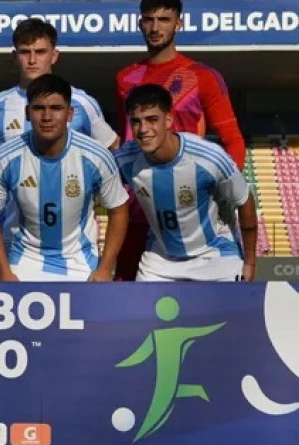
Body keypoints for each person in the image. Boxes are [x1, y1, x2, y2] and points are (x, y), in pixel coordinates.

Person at [115, 0, 246, 281]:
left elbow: (232, 140)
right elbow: (126, 139)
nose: (155, 27)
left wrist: (220, 192)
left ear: (178, 24)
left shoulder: (203, 77)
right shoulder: (125, 78)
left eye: (164, 19)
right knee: (126, 301)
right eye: (149, 20)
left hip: (191, 205)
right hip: (140, 206)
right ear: (140, 24)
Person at [0, 74, 129, 281]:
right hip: (24, 261)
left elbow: (119, 209)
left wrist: (105, 267)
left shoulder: (96, 156)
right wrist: (3, 270)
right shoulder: (5, 157)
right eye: (38, 108)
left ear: (70, 114)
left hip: (80, 262)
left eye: (56, 108)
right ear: (27, 113)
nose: (47, 117)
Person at [115, 84, 256, 281]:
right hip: (160, 261)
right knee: (141, 311)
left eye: (152, 120)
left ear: (169, 120)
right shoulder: (125, 159)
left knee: (231, 311)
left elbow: (245, 200)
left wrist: (249, 263)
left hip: (215, 257)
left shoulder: (209, 157)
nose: (143, 129)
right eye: (136, 122)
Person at [0, 18, 118, 150]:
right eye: (25, 52)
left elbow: (112, 147)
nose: (32, 60)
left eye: (40, 52)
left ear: (54, 56)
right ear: (14, 57)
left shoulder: (82, 102)